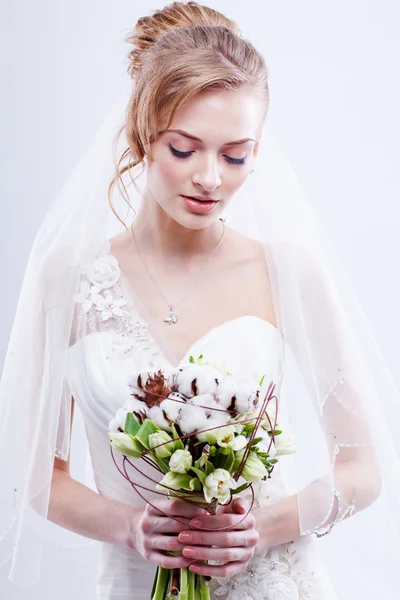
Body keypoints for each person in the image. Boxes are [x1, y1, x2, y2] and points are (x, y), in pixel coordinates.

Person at [1, 2, 400, 600]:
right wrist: (132, 528)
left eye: (236, 155)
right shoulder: (67, 279)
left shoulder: (289, 270)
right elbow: (32, 472)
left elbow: (364, 469)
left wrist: (258, 530)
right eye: (185, 150)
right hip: (133, 582)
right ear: (141, 135)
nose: (211, 178)